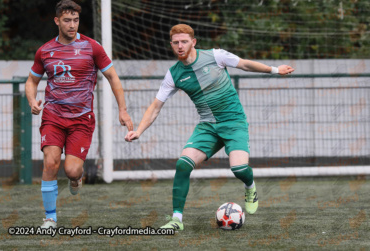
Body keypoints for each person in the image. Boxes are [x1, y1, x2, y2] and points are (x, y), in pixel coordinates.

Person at [125, 24, 294, 231]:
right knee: (183, 165)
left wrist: (276, 70)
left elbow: (244, 65)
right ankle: (176, 219)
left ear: (193, 42)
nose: (180, 46)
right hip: (208, 127)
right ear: (171, 45)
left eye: (184, 41)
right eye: (176, 42)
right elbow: (155, 107)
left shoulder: (215, 56)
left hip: (234, 123)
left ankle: (250, 186)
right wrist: (139, 131)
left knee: (239, 169)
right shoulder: (174, 74)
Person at [25, 0, 133, 229]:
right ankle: (50, 218)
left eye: (75, 20)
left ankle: (76, 178)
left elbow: (113, 77)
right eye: (67, 20)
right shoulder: (45, 51)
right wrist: (32, 100)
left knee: (71, 170)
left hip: (81, 119)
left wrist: (122, 110)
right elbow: (32, 81)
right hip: (53, 116)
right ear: (57, 21)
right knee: (51, 163)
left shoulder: (92, 47)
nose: (72, 25)